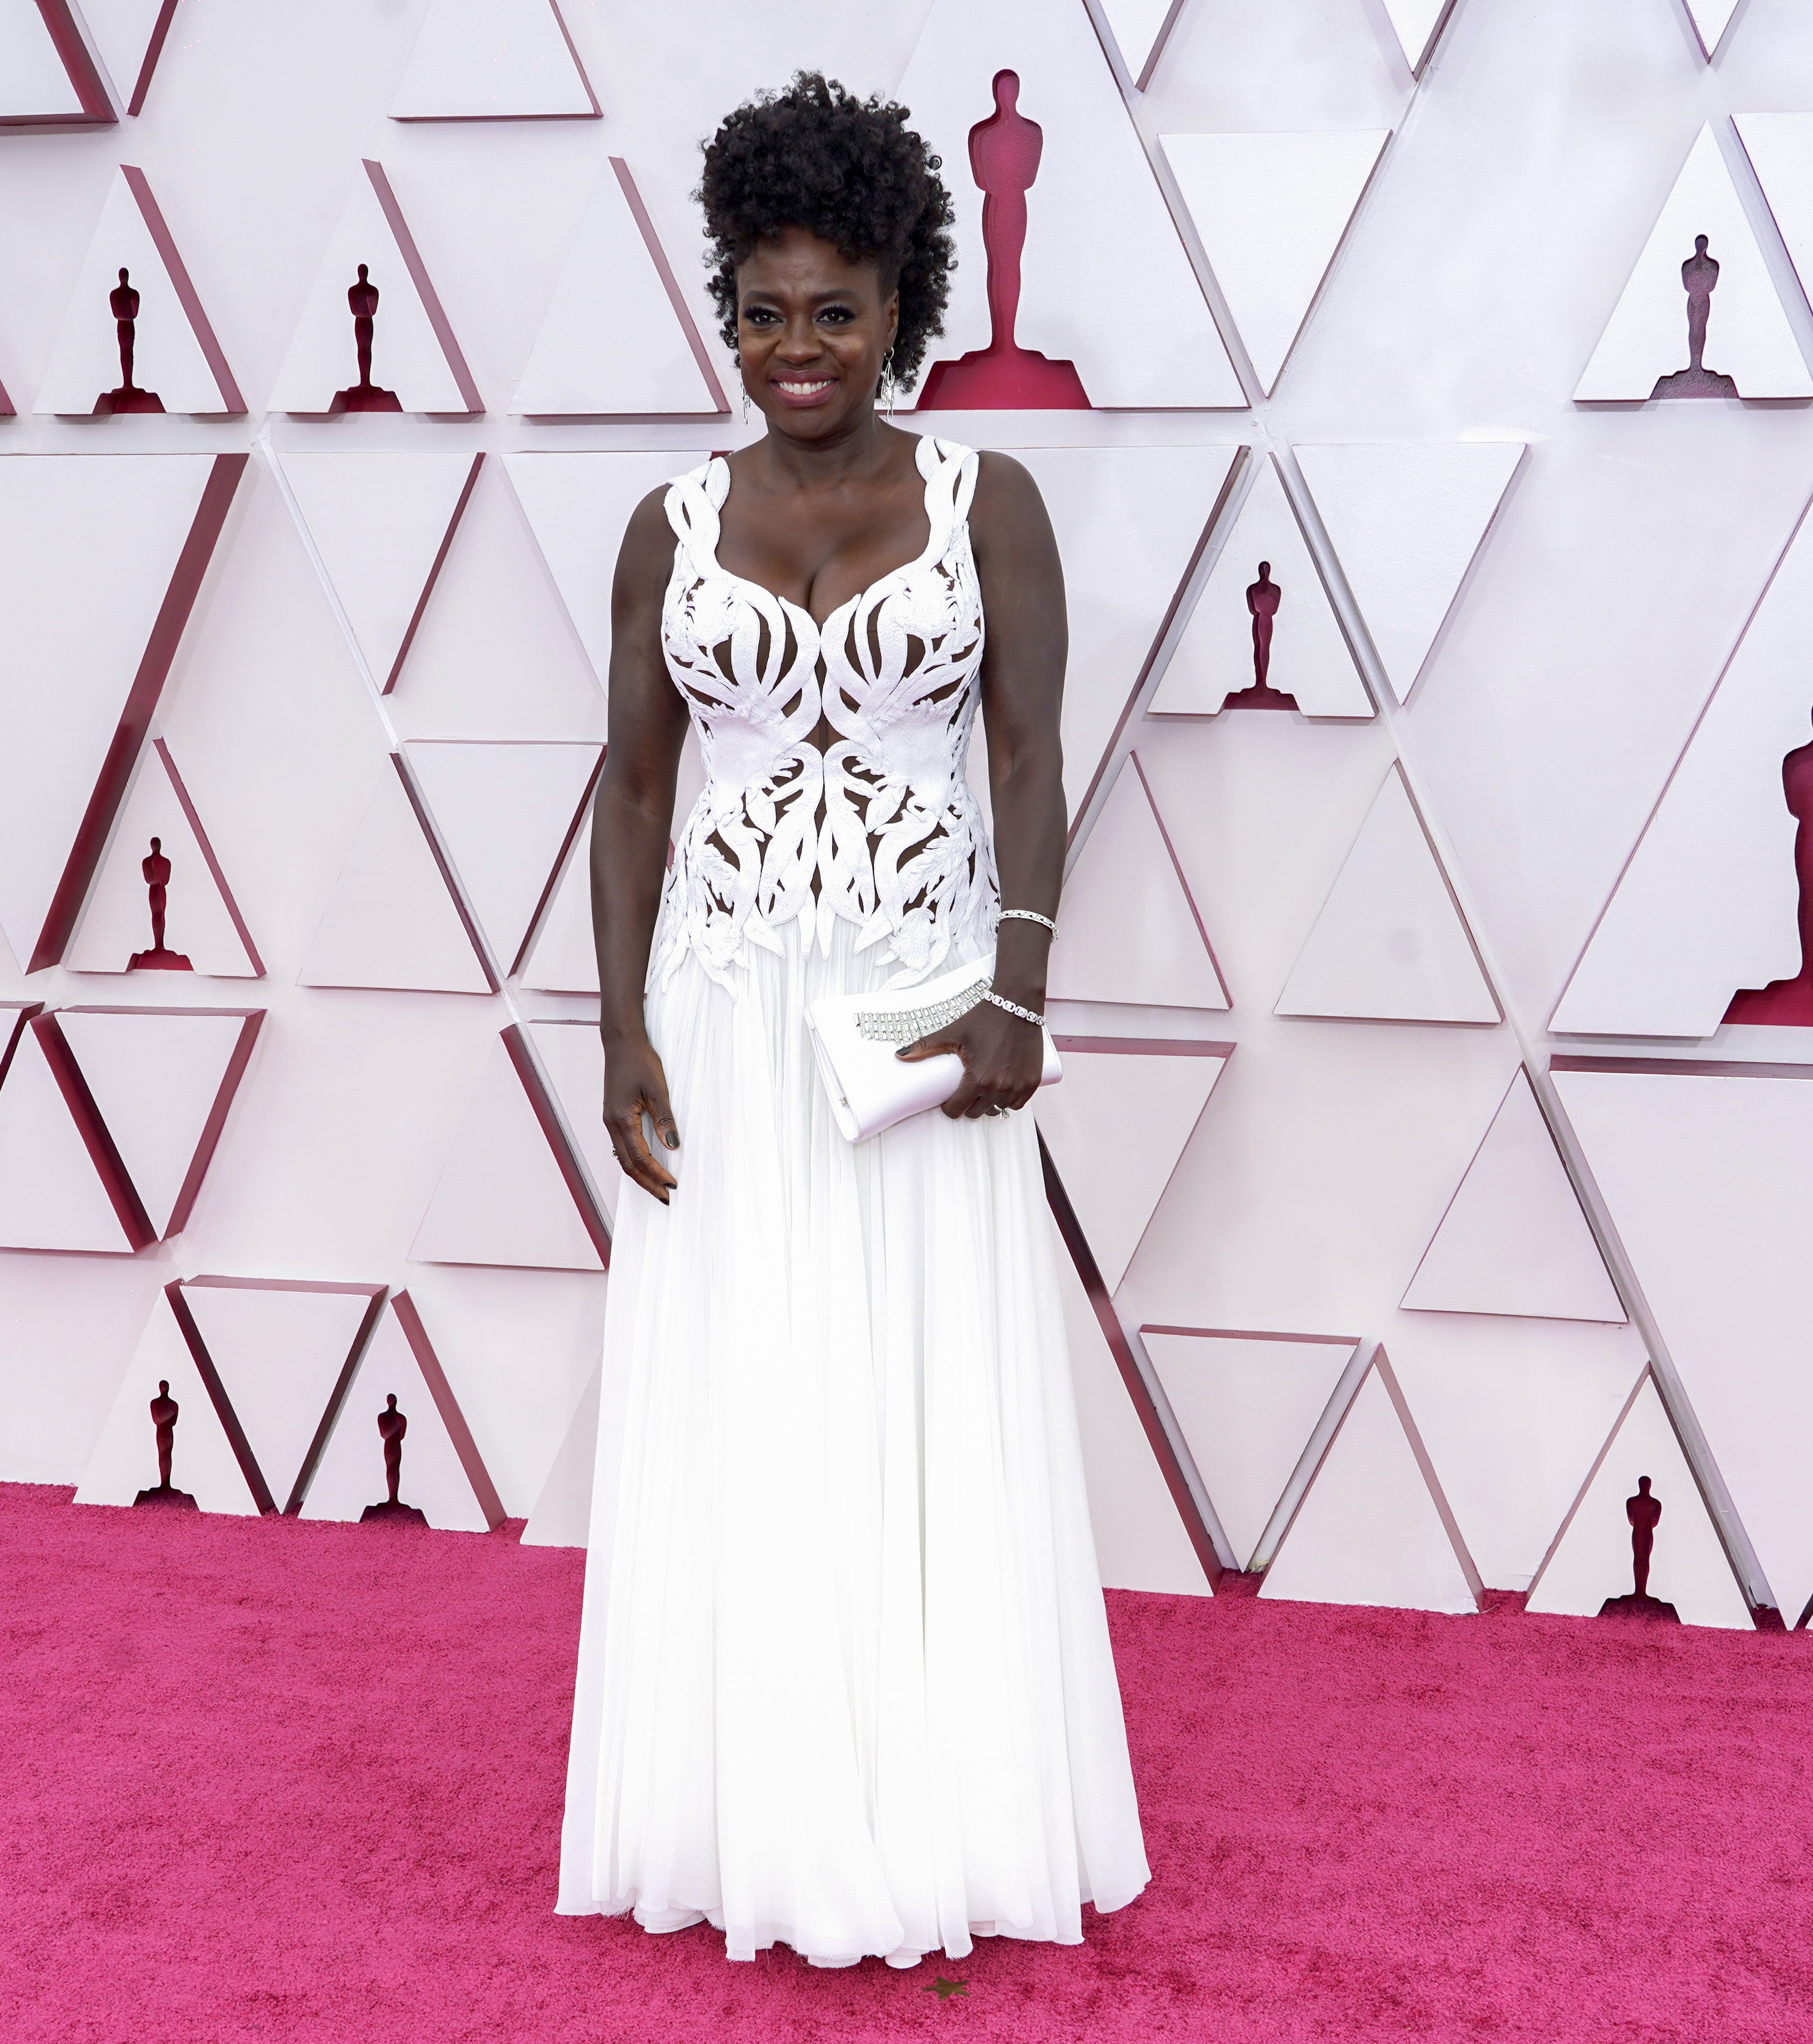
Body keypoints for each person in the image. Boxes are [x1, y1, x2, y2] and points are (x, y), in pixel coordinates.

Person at [558, 74, 1145, 1971]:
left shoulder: (992, 500)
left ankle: (936, 1822)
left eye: (834, 308)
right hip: (727, 1014)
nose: (794, 349)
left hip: (914, 1023)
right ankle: (756, 1820)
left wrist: (1018, 993)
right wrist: (619, 1026)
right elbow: (634, 791)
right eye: (761, 307)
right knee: (755, 1400)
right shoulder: (666, 522)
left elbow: (1032, 753)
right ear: (723, 307)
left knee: (917, 1413)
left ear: (904, 304)